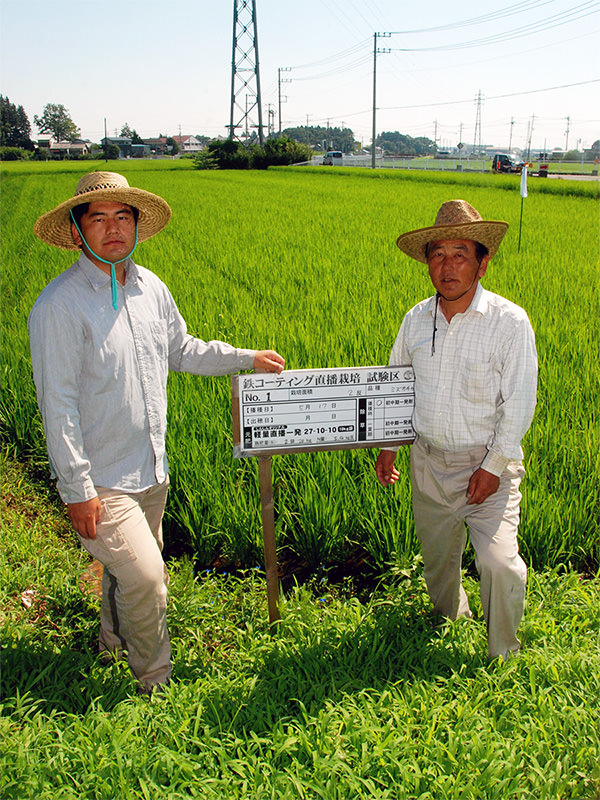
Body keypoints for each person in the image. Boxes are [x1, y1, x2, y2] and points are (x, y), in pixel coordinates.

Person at [29, 171, 285, 692]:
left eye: (122, 216)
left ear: (138, 224)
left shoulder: (150, 287)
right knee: (147, 578)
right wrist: (77, 490)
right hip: (101, 478)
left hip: (151, 469)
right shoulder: (59, 306)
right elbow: (57, 406)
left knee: (126, 573)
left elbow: (181, 350)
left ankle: (112, 643)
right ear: (77, 231)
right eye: (96, 218)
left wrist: (245, 359)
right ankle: (155, 682)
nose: (112, 229)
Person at [375, 199, 537, 661]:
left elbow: (520, 402)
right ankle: (449, 620)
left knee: (499, 562)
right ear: (427, 262)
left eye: (460, 254)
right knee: (439, 564)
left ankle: (502, 652)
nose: (447, 266)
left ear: (483, 263)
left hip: (491, 467)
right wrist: (389, 446)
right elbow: (397, 384)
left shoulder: (509, 322)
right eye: (437, 254)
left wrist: (491, 468)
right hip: (428, 462)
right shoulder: (415, 318)